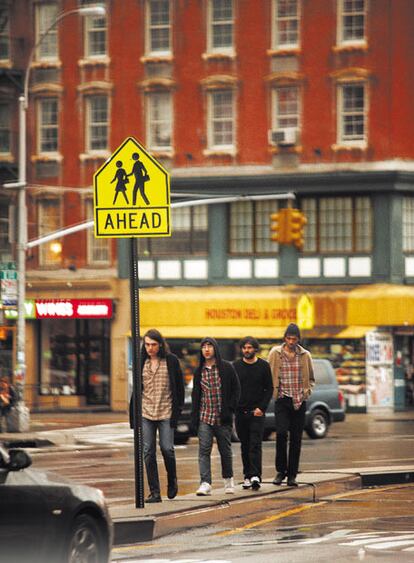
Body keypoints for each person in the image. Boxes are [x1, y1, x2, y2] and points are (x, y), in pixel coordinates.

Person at [129, 329, 184, 503]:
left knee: (167, 449)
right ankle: (155, 492)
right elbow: (136, 391)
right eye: (147, 344)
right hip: (146, 412)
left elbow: (179, 389)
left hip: (166, 411)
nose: (150, 348)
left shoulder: (171, 361)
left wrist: (178, 410)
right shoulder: (141, 362)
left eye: (153, 344)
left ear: (160, 344)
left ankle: (172, 480)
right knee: (148, 452)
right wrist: (134, 415)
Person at [190, 337, 240, 496]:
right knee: (204, 450)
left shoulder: (226, 367)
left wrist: (230, 409)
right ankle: (205, 483)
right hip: (204, 416)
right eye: (203, 346)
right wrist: (194, 417)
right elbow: (195, 395)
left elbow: (236, 390)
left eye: (209, 346)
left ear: (215, 349)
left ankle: (228, 480)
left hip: (222, 417)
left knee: (225, 450)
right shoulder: (199, 371)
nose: (206, 349)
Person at [268, 323, 315, 487]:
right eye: (288, 338)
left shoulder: (305, 355)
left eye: (294, 339)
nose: (291, 342)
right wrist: (272, 392)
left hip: (299, 401)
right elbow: (269, 374)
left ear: (298, 340)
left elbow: (311, 379)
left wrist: (305, 393)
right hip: (282, 399)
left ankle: (292, 475)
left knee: (296, 439)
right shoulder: (275, 353)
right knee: (281, 434)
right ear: (284, 338)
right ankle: (281, 471)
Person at [233, 337, 273, 491]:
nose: (247, 350)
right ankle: (247, 476)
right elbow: (232, 388)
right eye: (244, 348)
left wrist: (261, 408)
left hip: (257, 412)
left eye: (249, 348)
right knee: (244, 445)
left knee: (255, 444)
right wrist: (234, 407)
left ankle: (256, 475)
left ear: (255, 349)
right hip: (240, 412)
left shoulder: (263, 366)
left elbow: (269, 389)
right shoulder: (236, 366)